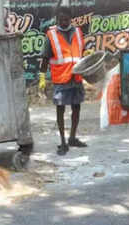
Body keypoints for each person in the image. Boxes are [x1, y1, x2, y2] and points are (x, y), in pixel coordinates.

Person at [39, 6, 87, 156]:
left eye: (66, 20)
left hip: (76, 77)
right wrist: (42, 78)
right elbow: (45, 58)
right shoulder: (51, 35)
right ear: (57, 19)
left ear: (70, 19)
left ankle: (72, 138)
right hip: (61, 79)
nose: (64, 22)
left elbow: (81, 53)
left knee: (76, 107)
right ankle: (62, 141)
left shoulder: (78, 32)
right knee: (60, 109)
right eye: (61, 20)